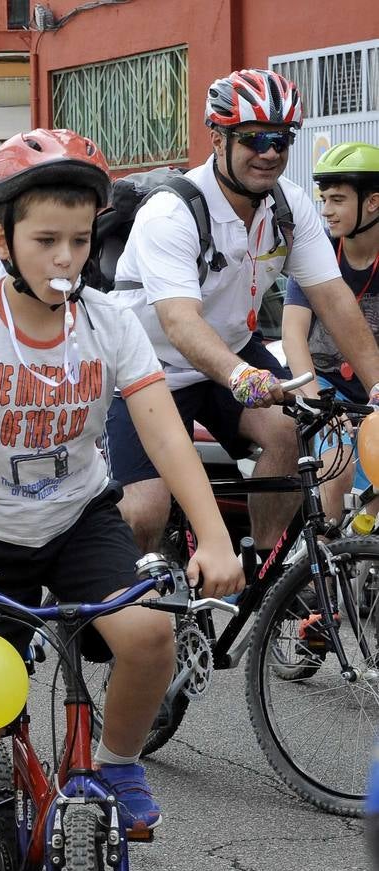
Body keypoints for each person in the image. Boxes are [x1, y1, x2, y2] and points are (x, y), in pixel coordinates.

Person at [0, 129, 244, 871]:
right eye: (45, 239)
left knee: (150, 632)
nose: (65, 258)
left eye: (79, 241)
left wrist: (214, 536)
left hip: (77, 518)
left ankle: (117, 764)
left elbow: (163, 433)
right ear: (2, 240)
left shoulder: (109, 321)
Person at [106, 69, 379, 559]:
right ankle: (121, 606)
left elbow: (334, 298)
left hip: (229, 352)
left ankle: (267, 569)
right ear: (217, 139)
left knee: (289, 433)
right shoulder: (172, 213)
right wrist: (241, 377)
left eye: (281, 139)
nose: (270, 152)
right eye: (254, 139)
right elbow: (180, 322)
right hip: (149, 368)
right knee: (145, 510)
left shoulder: (288, 208)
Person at [281, 141, 379, 524]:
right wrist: (314, 400)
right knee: (333, 467)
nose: (326, 211)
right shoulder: (317, 250)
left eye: (337, 200)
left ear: (372, 202)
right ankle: (321, 558)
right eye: (324, 199)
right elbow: (292, 333)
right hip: (324, 385)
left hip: (373, 390)